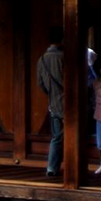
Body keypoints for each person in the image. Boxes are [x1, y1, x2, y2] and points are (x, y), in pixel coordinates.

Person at [37, 27, 65, 177]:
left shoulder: (42, 59)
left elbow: (40, 83)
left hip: (53, 104)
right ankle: (74, 166)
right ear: (62, 40)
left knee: (56, 137)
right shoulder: (64, 57)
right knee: (73, 135)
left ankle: (52, 168)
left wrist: (52, 93)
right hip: (69, 104)